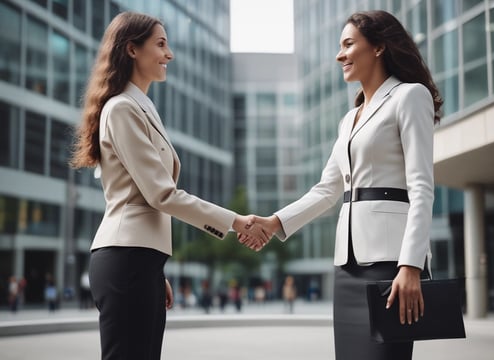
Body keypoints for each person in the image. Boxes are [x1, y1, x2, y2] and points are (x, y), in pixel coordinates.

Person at [241, 10, 442, 360]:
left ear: (378, 47)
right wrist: (274, 223)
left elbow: (422, 186)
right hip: (347, 269)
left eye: (349, 44)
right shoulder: (350, 117)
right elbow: (327, 190)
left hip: (390, 266)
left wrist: (411, 265)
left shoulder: (410, 96)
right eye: (339, 46)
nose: (339, 55)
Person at [70, 12, 268, 360]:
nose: (170, 54)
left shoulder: (141, 108)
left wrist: (153, 269)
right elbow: (161, 194)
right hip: (126, 259)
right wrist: (235, 222)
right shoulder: (122, 109)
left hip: (138, 260)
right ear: (132, 49)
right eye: (161, 44)